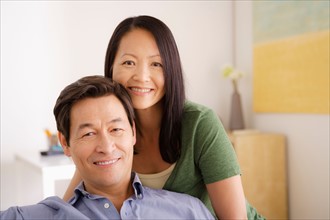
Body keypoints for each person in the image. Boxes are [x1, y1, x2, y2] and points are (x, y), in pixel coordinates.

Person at [64, 15, 265, 220]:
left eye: (156, 64)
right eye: (129, 62)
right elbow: (67, 208)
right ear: (111, 68)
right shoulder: (110, 136)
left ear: (171, 69)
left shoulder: (200, 124)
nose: (142, 76)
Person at [1, 76, 215, 219]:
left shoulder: (188, 211)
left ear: (132, 131)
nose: (106, 146)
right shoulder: (45, 216)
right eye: (89, 133)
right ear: (65, 143)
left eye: (115, 129)